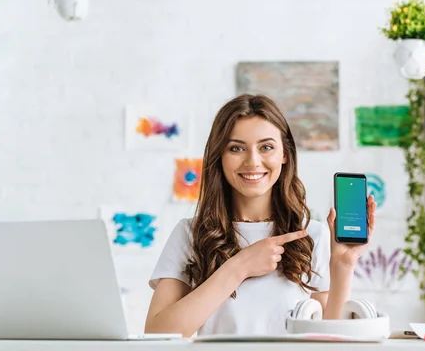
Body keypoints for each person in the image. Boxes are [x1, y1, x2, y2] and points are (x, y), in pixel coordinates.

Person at [144, 93, 376, 337]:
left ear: (284, 154)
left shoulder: (312, 234)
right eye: (236, 148)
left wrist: (343, 265)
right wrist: (239, 267)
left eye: (266, 147)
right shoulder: (190, 234)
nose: (253, 161)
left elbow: (330, 341)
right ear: (219, 156)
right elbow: (157, 333)